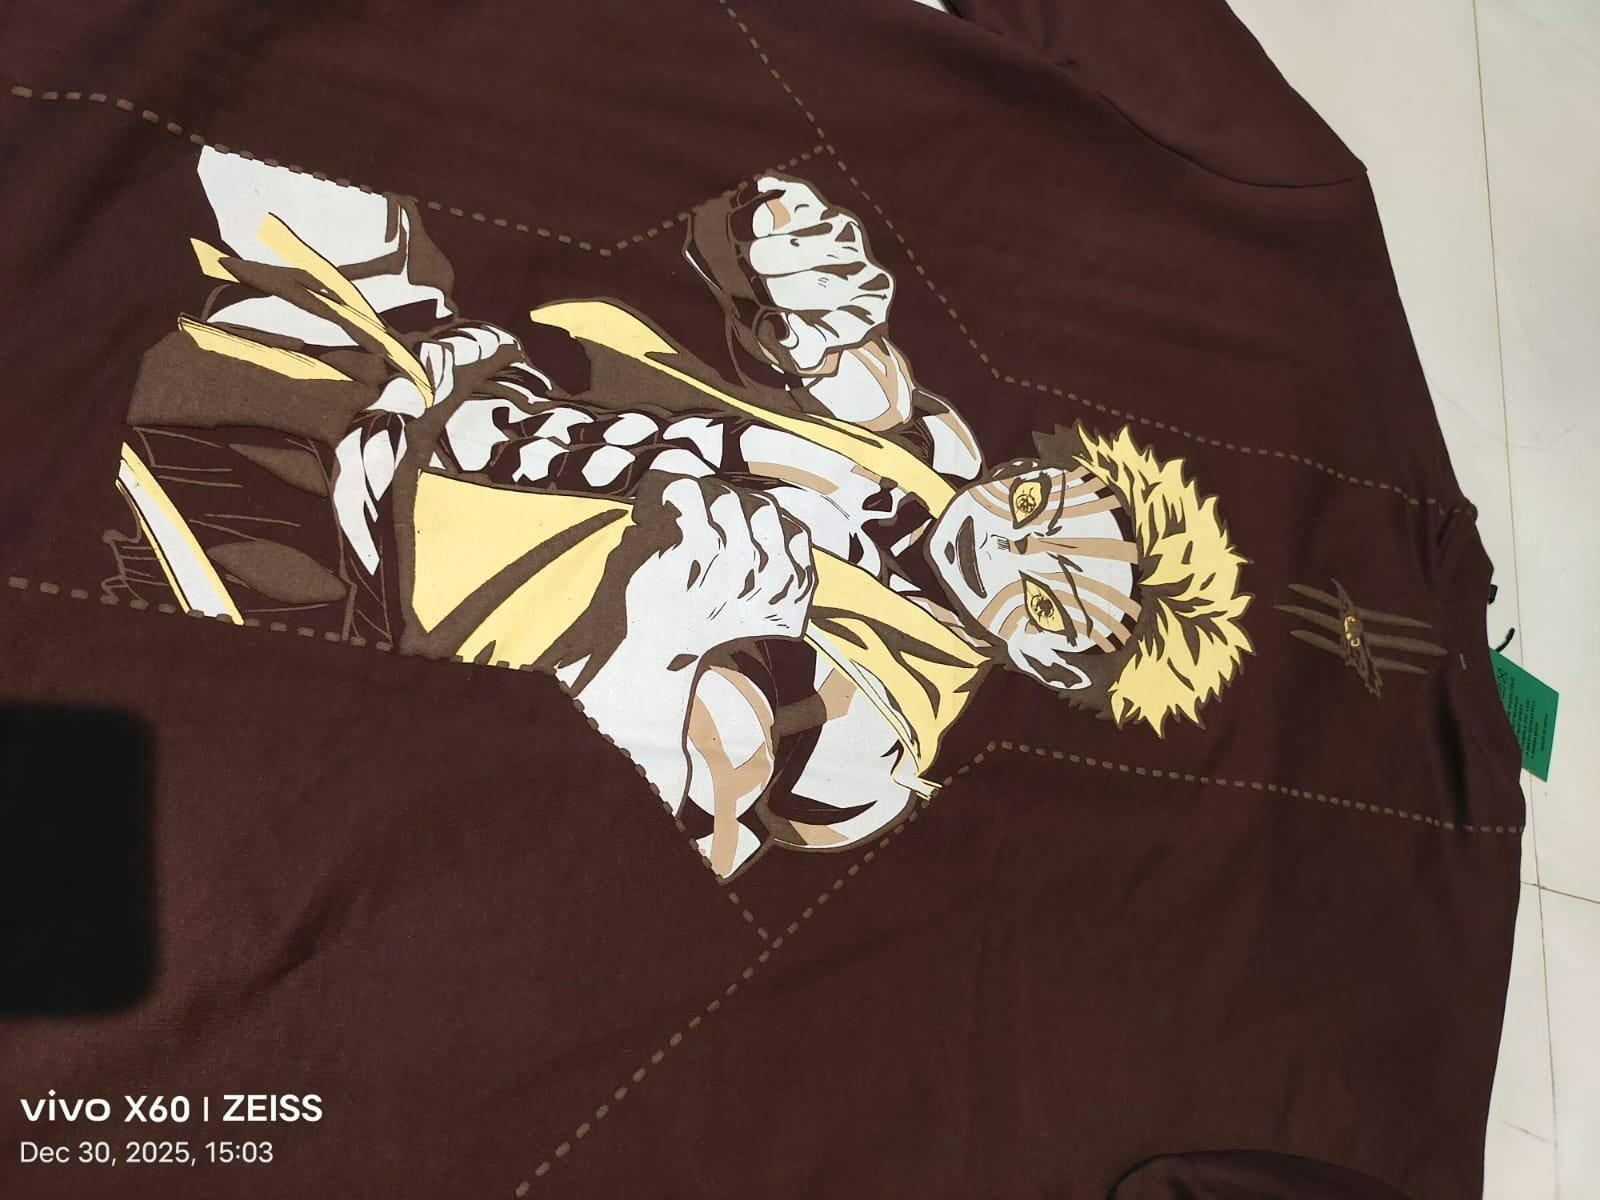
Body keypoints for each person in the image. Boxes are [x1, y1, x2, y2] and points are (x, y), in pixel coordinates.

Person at [120, 152, 1251, 878]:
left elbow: (664, 830)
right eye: (1041, 502)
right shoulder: (933, 452)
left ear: (1050, 663)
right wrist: (779, 246)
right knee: (291, 168)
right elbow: (803, 310)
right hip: (432, 365)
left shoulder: (875, 727)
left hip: (336, 568)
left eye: (1045, 592)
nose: (1004, 532)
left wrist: (658, 650)